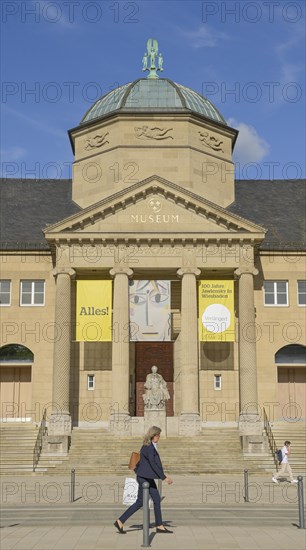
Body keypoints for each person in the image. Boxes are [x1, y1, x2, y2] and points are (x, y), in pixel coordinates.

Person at [114, 426, 173, 534]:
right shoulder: (149, 447)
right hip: (145, 478)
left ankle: (159, 525)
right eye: (158, 435)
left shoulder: (147, 445)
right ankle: (120, 521)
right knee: (144, 501)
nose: (159, 437)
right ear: (153, 435)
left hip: (145, 477)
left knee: (152, 500)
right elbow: (153, 463)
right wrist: (164, 477)